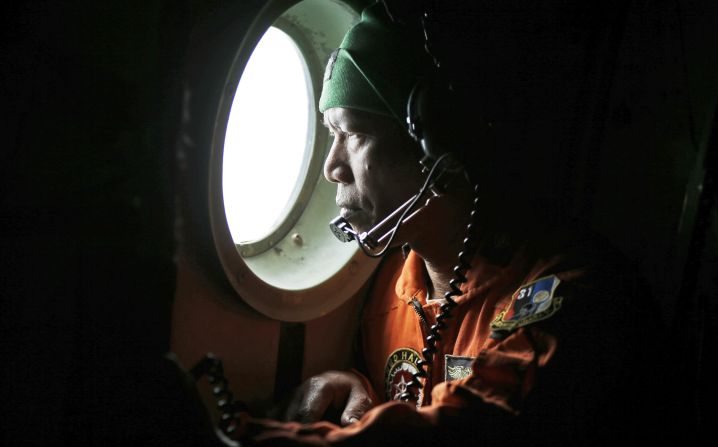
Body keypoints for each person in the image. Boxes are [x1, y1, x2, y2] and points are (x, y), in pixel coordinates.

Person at [231, 2, 666, 445]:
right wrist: (352, 388)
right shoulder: (391, 292)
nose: (331, 167)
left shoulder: (568, 294)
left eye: (355, 133)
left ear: (437, 144)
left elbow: (476, 427)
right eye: (330, 134)